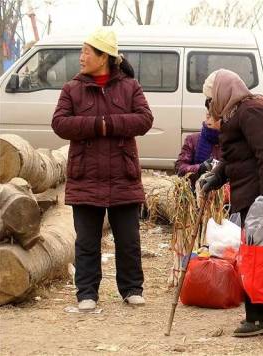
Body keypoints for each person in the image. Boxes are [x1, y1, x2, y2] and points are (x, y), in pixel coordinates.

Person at [51, 27, 153, 311]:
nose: (81, 57)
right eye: (82, 51)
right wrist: (98, 125)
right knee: (86, 241)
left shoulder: (130, 86)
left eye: (86, 51)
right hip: (86, 176)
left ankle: (132, 289)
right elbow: (60, 124)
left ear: (103, 57)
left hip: (123, 175)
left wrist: (111, 123)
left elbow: (145, 119)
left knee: (128, 239)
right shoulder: (72, 88)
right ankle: (86, 293)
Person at [199, 69, 263, 337]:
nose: (209, 104)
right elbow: (236, 157)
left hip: (258, 199)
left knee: (257, 260)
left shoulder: (250, 112)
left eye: (210, 98)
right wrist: (216, 178)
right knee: (259, 258)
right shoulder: (236, 113)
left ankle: (258, 319)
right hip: (250, 196)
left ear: (222, 93)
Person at [174, 101, 222, 188]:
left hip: (226, 196)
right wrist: (200, 168)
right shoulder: (193, 139)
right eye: (208, 116)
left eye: (214, 117)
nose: (209, 120)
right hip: (197, 192)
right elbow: (180, 168)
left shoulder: (231, 142)